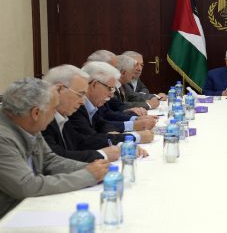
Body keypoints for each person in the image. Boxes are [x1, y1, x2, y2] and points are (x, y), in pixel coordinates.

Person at [0, 78, 109, 218]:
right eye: (53, 110)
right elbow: (27, 186)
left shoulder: (29, 124)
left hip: (28, 208)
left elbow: (50, 160)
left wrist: (92, 168)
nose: (54, 117)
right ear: (36, 113)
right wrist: (87, 175)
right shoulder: (3, 138)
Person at [41, 65, 122, 162]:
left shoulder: (62, 116)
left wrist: (120, 144)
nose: (83, 102)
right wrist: (103, 154)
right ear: (60, 89)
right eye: (80, 94)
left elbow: (81, 142)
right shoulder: (42, 119)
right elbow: (57, 158)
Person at [68, 62, 154, 146]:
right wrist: (135, 137)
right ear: (94, 85)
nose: (111, 95)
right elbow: (90, 139)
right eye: (110, 88)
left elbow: (102, 125)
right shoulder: (75, 106)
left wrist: (132, 126)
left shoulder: (93, 103)